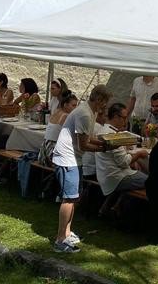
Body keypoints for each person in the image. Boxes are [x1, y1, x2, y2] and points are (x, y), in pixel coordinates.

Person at [52, 84, 112, 253]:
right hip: (66, 158)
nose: (106, 106)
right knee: (69, 199)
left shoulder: (90, 111)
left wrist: (105, 143)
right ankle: (60, 240)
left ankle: (67, 232)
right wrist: (104, 149)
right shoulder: (85, 113)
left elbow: (88, 137)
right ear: (99, 99)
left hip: (74, 158)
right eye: (105, 102)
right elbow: (84, 144)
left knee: (74, 197)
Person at [96, 103, 148, 207]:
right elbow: (124, 162)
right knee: (152, 182)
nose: (126, 121)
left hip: (106, 175)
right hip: (116, 178)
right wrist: (138, 154)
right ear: (115, 117)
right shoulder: (113, 135)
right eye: (124, 118)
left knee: (141, 171)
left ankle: (122, 207)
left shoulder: (104, 130)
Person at [40, 90, 78, 166]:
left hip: (43, 152)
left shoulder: (56, 111)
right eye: (73, 105)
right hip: (51, 155)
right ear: (65, 105)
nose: (76, 108)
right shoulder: (66, 116)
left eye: (76, 105)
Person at [80, 106, 107, 180]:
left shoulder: (85, 123)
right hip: (91, 170)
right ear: (98, 115)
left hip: (81, 166)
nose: (106, 119)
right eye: (105, 116)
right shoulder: (99, 128)